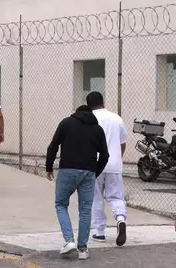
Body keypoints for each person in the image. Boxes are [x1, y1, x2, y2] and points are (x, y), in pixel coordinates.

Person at [45, 105, 109, 260]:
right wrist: (94, 172)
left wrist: (49, 167)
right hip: (88, 172)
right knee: (85, 210)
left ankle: (69, 240)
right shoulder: (97, 129)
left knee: (61, 204)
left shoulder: (66, 123)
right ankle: (82, 249)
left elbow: (53, 146)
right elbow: (105, 155)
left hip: (67, 169)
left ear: (76, 112)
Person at [87, 91, 128, 246]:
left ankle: (99, 232)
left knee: (96, 197)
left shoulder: (90, 120)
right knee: (116, 197)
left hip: (95, 164)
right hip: (114, 164)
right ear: (103, 103)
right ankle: (120, 219)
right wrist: (118, 158)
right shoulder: (116, 118)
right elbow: (122, 142)